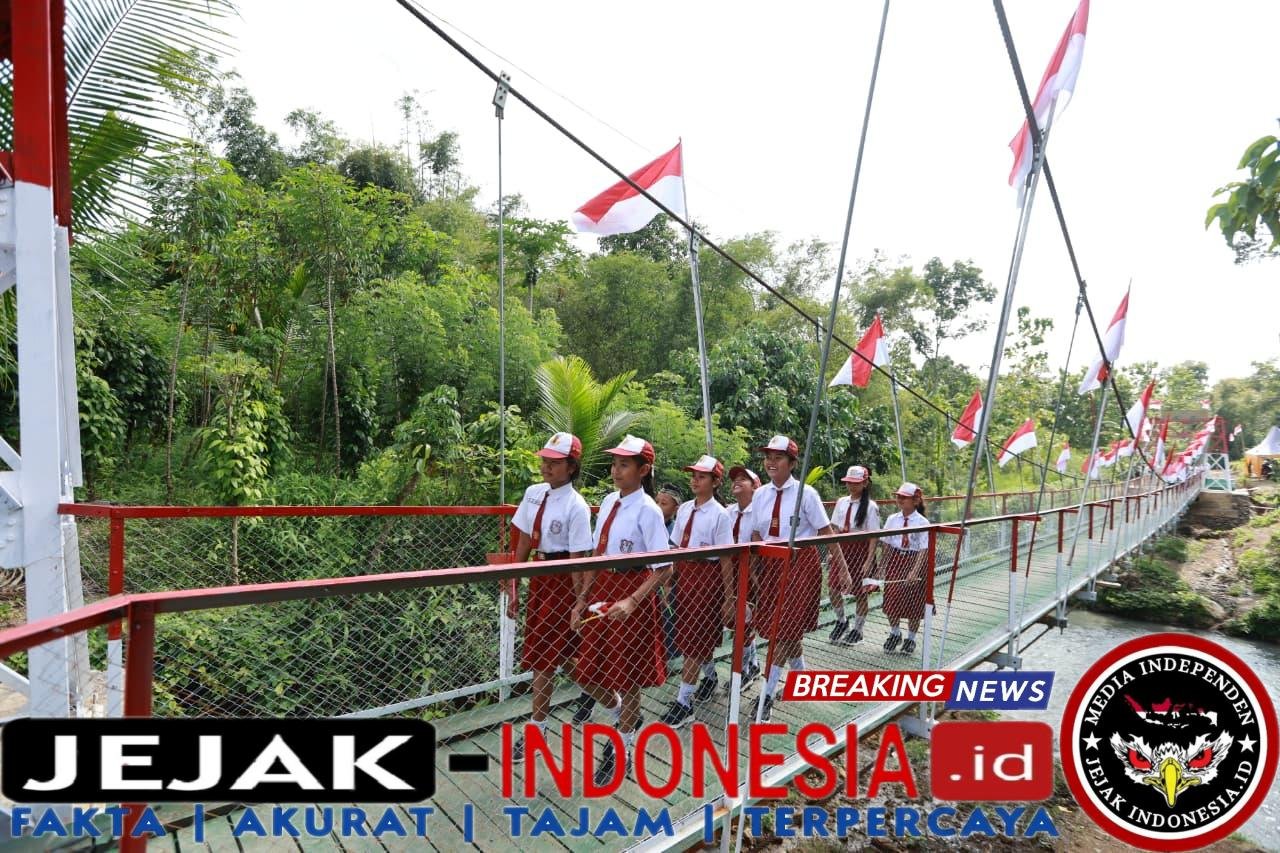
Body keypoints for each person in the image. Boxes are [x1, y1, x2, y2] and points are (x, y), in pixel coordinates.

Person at [571, 434, 671, 785]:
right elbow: (597, 555)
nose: (616, 470)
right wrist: (581, 599)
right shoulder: (609, 501)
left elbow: (664, 566)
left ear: (643, 470)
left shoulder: (649, 511)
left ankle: (623, 747)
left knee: (627, 678)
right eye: (615, 463)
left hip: (631, 592)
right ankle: (622, 717)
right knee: (586, 672)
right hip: (603, 588)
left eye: (624, 464)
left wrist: (633, 600)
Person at [748, 435, 850, 721]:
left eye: (778, 457)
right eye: (768, 456)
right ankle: (802, 678)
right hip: (770, 565)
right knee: (785, 628)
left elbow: (825, 531)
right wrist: (755, 569)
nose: (771, 462)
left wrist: (840, 565)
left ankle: (766, 695)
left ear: (792, 463)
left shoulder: (807, 494)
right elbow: (757, 533)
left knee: (783, 629)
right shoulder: (760, 495)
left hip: (799, 566)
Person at [507, 432, 594, 761]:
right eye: (544, 460)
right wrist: (514, 581)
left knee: (551, 658)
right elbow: (525, 541)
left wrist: (579, 602)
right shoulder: (533, 494)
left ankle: (538, 728)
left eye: (554, 463)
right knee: (558, 659)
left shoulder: (577, 506)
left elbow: (578, 560)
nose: (546, 466)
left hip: (562, 580)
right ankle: (611, 704)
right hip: (540, 578)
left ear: (571, 467)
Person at [660, 455, 735, 727]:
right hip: (685, 575)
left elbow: (726, 558)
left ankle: (684, 702)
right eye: (693, 475)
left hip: (706, 578)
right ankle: (710, 677)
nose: (694, 480)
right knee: (690, 635)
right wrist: (669, 581)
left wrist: (728, 597)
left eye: (701, 476)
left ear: (715, 482)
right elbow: (675, 547)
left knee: (695, 639)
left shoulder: (720, 514)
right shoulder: (685, 510)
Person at [829, 465, 881, 646]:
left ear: (865, 483)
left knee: (860, 593)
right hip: (842, 549)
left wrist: (868, 560)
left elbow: (874, 535)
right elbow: (834, 528)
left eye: (856, 483)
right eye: (849, 482)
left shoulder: (871, 507)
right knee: (833, 587)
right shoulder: (842, 502)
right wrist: (832, 551)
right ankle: (841, 621)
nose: (851, 486)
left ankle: (858, 630)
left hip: (860, 550)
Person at [880, 482, 930, 656]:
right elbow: (886, 544)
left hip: (914, 559)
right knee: (892, 598)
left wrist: (915, 571)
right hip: (896, 559)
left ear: (915, 501)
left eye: (904, 497)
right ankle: (895, 633)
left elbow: (924, 549)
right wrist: (881, 566)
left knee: (913, 602)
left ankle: (911, 638)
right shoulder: (892, 519)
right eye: (898, 496)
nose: (899, 499)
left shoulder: (922, 522)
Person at [727, 466, 762, 686]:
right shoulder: (727, 511)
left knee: (745, 621)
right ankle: (753, 664)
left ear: (755, 487)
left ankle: (744, 669)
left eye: (744, 479)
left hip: (749, 572)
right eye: (735, 479)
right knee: (735, 621)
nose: (737, 481)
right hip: (729, 571)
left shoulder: (759, 513)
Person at [654, 483, 683, 662]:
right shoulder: (649, 522)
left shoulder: (675, 530)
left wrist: (669, 584)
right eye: (657, 502)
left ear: (676, 508)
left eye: (663, 504)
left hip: (668, 582)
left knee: (667, 618)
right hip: (647, 578)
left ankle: (668, 656)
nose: (658, 507)